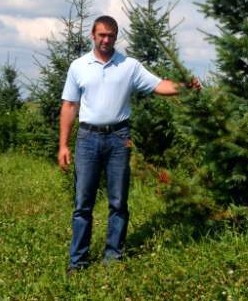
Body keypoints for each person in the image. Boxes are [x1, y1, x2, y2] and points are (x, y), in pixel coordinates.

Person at [57, 14, 193, 272]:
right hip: (87, 139)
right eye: (101, 35)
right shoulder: (78, 66)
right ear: (93, 36)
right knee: (82, 203)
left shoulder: (129, 66)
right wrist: (63, 145)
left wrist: (185, 87)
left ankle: (113, 257)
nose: (106, 39)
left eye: (111, 35)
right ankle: (78, 261)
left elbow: (158, 85)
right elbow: (69, 105)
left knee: (118, 202)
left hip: (119, 138)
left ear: (116, 37)